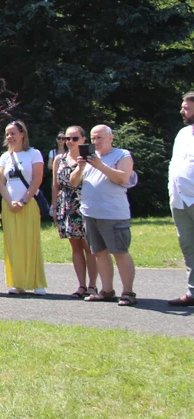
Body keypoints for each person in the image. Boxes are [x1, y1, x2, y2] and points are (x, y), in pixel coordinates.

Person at [72, 125, 137, 306]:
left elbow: (123, 178)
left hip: (113, 214)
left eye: (100, 137)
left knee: (120, 252)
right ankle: (106, 291)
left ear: (111, 138)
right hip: (90, 213)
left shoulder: (121, 155)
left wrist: (99, 165)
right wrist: (80, 168)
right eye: (93, 138)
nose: (96, 142)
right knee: (99, 253)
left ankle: (128, 292)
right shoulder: (88, 159)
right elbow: (73, 182)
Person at [0, 121, 47, 295]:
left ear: (22, 134)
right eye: (7, 134)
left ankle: (36, 282)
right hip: (9, 205)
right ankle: (17, 282)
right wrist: (10, 202)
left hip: (29, 204)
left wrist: (23, 201)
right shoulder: (4, 157)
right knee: (13, 244)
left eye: (13, 133)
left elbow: (37, 179)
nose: (10, 137)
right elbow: (1, 183)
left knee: (31, 242)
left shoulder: (34, 154)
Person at [53, 126, 97, 298]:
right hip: (67, 204)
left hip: (85, 203)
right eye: (67, 138)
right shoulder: (59, 158)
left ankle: (93, 286)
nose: (70, 142)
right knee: (75, 247)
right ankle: (81, 285)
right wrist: (54, 207)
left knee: (89, 247)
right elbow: (55, 185)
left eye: (74, 138)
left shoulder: (90, 158)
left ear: (84, 139)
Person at [168, 92, 194, 307]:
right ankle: (193, 292)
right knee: (188, 247)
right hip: (180, 200)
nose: (182, 111)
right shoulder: (183, 133)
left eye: (186, 107)